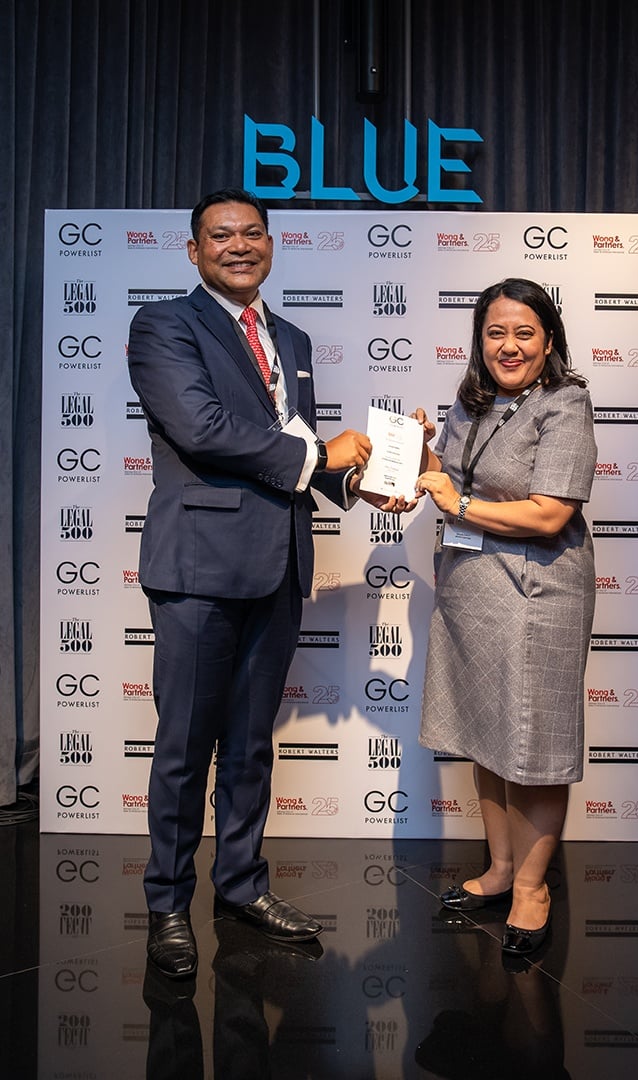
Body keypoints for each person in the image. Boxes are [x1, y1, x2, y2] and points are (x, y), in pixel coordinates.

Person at [128, 187, 406, 978]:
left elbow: (294, 447)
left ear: (272, 245)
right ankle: (167, 905)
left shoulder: (292, 337)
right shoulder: (164, 326)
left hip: (279, 564)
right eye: (221, 235)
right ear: (194, 251)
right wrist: (323, 456)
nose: (239, 245)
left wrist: (363, 482)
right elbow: (201, 428)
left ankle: (242, 885)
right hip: (198, 568)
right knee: (185, 746)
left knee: (250, 745)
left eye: (253, 232)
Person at [413, 278, 596, 958]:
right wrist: (421, 455)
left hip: (535, 593)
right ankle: (498, 868)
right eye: (496, 333)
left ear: (548, 340)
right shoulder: (472, 401)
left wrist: (455, 504)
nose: (509, 346)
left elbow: (550, 512)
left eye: (524, 333)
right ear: (480, 341)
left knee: (535, 745)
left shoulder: (565, 403)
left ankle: (531, 887)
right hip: (472, 590)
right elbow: (453, 483)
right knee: (485, 731)